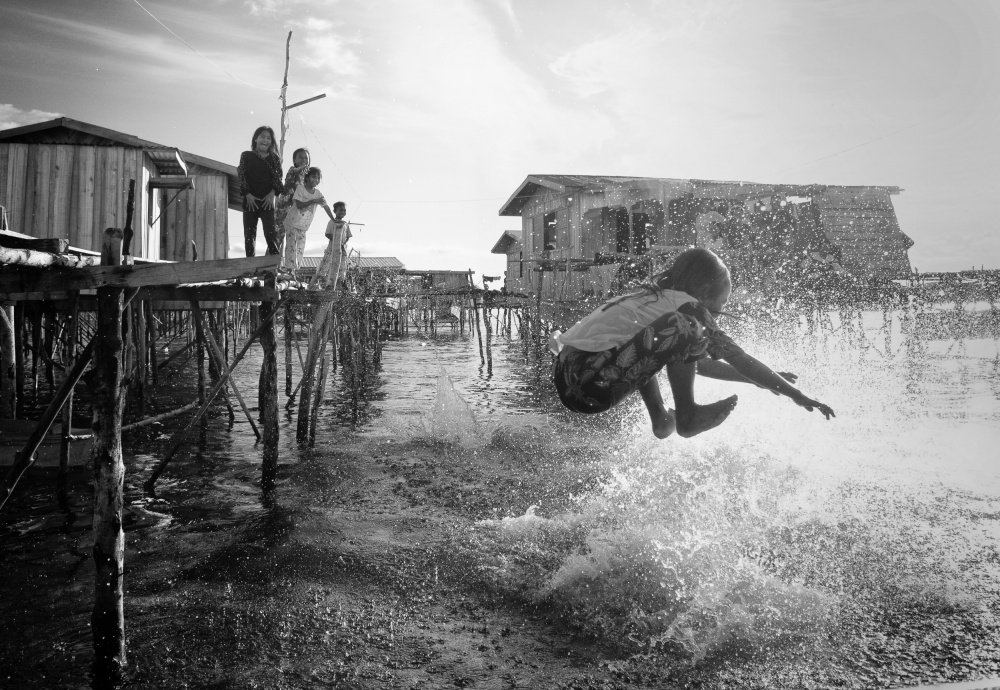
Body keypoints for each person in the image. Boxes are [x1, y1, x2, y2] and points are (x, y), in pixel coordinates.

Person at [550, 247, 834, 439]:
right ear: (706, 291)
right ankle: (687, 417)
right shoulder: (688, 310)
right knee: (682, 327)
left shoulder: (651, 298)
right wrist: (796, 395)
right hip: (592, 385)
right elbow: (738, 358)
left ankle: (662, 418)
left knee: (654, 338)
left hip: (569, 377)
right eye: (722, 302)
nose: (720, 310)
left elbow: (698, 365)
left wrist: (760, 380)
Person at [237, 126, 284, 257]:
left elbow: (278, 178)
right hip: (250, 201)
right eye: (262, 137)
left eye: (269, 138)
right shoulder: (246, 155)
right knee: (249, 236)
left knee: (270, 235)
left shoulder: (274, 158)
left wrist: (272, 194)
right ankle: (250, 267)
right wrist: (247, 195)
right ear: (255, 139)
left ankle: (273, 265)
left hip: (267, 202)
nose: (265, 140)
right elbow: (241, 175)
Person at [283, 167, 333, 270]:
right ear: (306, 178)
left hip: (303, 226)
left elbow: (326, 207)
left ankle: (294, 271)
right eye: (313, 177)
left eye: (318, 178)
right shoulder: (300, 189)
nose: (316, 180)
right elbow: (299, 205)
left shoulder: (318, 194)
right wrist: (314, 201)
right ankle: (289, 270)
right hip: (292, 223)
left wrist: (333, 219)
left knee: (300, 248)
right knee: (291, 247)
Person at [274, 147, 311, 259]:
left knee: (293, 239)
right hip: (283, 209)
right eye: (300, 157)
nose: (303, 160)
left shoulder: (307, 178)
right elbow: (294, 172)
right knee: (277, 237)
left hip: (297, 211)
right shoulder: (292, 170)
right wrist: (300, 169)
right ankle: (269, 264)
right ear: (294, 160)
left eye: (306, 158)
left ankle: (290, 266)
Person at [311, 201, 352, 290]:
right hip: (331, 249)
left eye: (344, 210)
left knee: (342, 269)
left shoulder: (345, 224)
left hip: (342, 251)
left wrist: (342, 243)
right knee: (323, 267)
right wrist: (336, 240)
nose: (342, 212)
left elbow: (348, 236)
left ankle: (339, 285)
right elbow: (327, 234)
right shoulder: (332, 222)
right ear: (334, 211)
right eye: (340, 210)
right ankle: (316, 284)